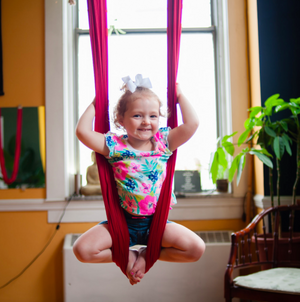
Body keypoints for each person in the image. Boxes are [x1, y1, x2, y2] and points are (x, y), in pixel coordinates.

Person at [73, 74, 205, 285]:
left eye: (153, 116)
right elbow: (82, 132)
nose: (146, 121)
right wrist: (96, 103)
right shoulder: (114, 146)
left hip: (156, 223)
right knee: (82, 250)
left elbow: (192, 124)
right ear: (120, 119)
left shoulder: (164, 142)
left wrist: (179, 97)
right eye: (137, 116)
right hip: (122, 223)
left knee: (196, 249)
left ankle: (146, 255)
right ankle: (127, 258)